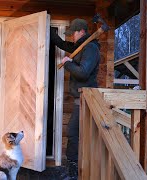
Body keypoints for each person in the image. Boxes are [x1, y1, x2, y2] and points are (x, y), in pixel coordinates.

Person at [50, 18, 100, 178]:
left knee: (73, 132)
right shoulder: (80, 46)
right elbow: (65, 45)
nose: (71, 36)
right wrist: (51, 33)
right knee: (75, 133)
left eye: (73, 33)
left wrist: (67, 63)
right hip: (80, 100)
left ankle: (74, 173)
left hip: (87, 100)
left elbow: (84, 72)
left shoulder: (90, 48)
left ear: (82, 31)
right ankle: (75, 171)